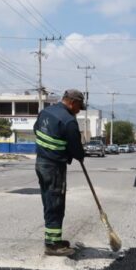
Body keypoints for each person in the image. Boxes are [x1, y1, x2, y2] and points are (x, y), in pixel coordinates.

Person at [34, 89, 86, 257]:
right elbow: (77, 149)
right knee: (56, 203)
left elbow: (36, 131)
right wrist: (78, 155)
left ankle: (52, 239)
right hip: (54, 167)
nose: (79, 110)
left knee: (49, 201)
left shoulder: (45, 112)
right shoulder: (68, 121)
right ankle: (53, 245)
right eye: (79, 106)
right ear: (72, 102)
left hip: (41, 163)